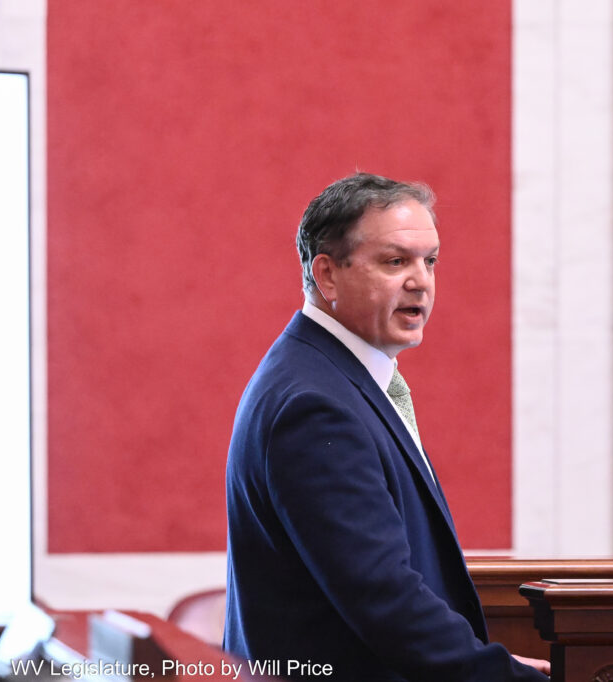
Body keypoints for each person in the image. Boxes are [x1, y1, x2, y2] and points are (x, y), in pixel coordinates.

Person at [223, 173, 549, 681]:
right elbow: (384, 598)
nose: (421, 281)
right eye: (396, 261)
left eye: (430, 260)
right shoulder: (314, 405)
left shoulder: (328, 376)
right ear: (327, 275)